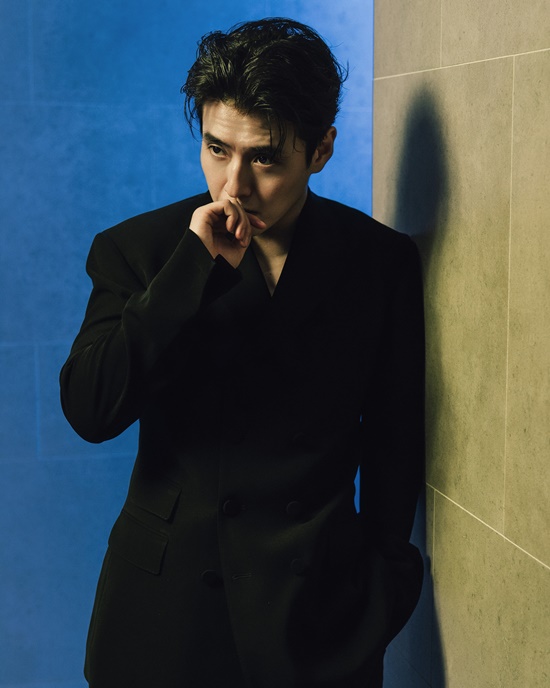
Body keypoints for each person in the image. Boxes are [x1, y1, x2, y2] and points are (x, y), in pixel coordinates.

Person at [60, 17, 425, 688]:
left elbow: (395, 440)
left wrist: (384, 588)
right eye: (217, 149)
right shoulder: (138, 250)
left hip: (318, 620)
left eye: (264, 158)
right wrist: (190, 270)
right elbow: (90, 410)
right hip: (165, 621)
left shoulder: (380, 262)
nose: (235, 186)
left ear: (321, 150)